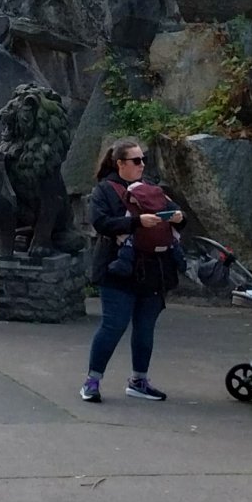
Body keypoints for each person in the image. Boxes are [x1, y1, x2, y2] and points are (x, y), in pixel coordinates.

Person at [81, 137, 183, 403]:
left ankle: (139, 380)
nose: (141, 165)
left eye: (143, 160)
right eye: (136, 160)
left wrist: (178, 218)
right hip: (118, 270)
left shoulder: (150, 187)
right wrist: (136, 223)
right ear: (120, 163)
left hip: (152, 269)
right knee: (113, 325)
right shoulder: (104, 190)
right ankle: (92, 381)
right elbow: (101, 223)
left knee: (145, 327)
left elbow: (174, 218)